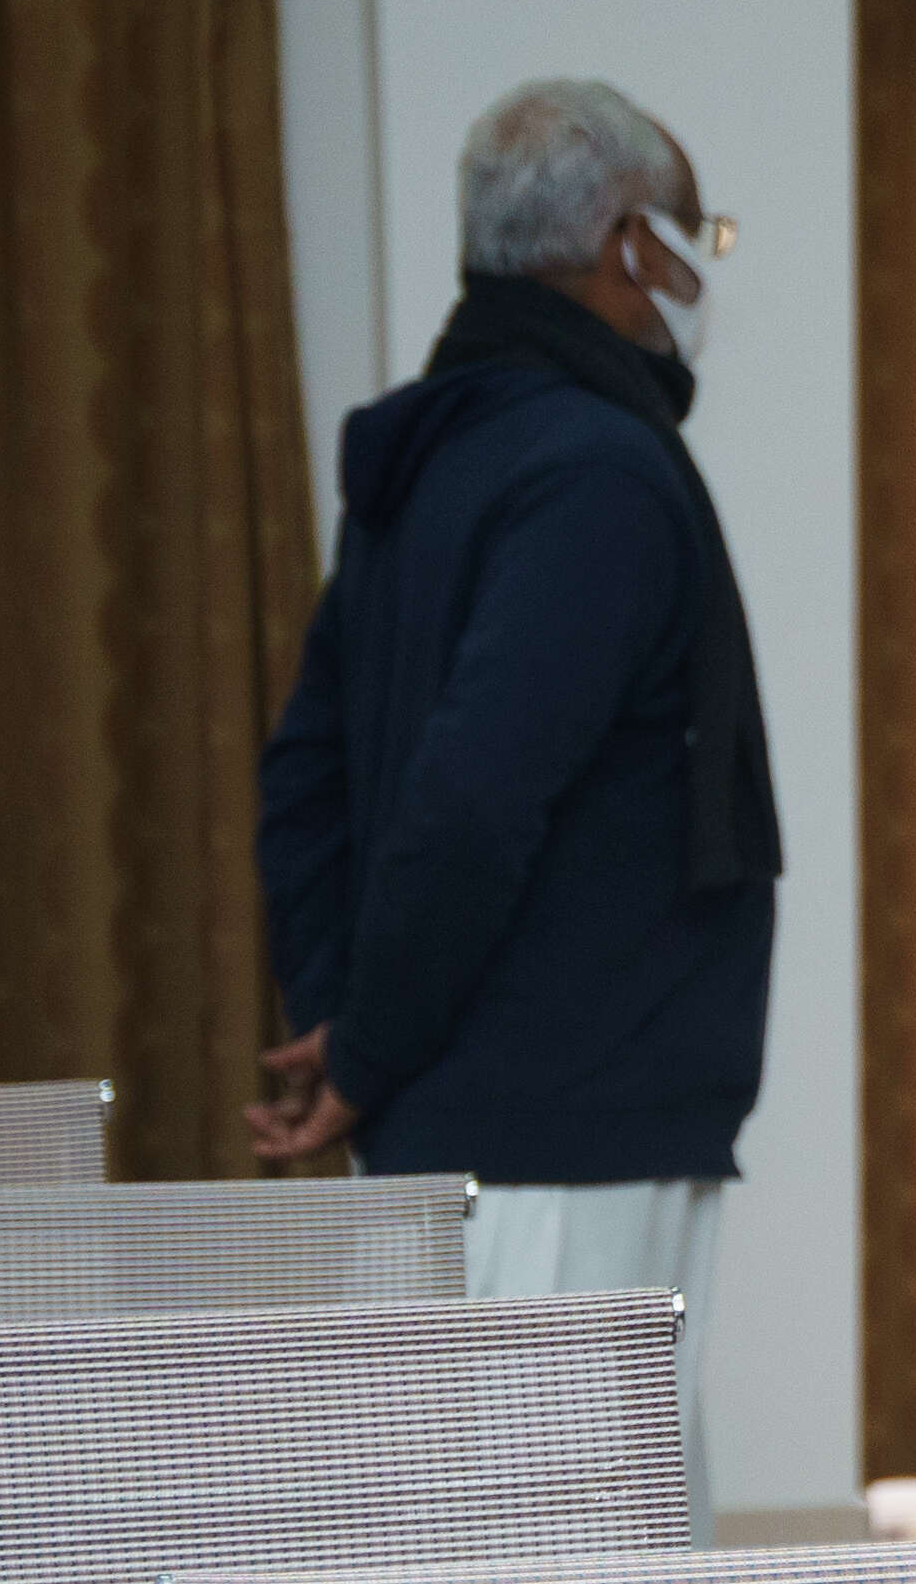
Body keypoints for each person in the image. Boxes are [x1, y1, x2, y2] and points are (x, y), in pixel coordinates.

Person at [254, 79, 775, 1490]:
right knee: (572, 1571)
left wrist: (349, 1023)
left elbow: (307, 779)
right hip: (562, 1133)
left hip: (469, 1122)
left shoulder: (437, 452)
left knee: (470, 1555)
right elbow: (476, 800)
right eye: (696, 235)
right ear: (627, 245)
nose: (700, 272)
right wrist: (364, 1050)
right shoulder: (598, 472)